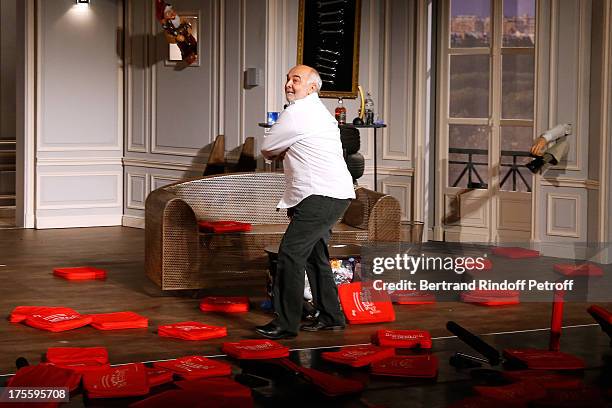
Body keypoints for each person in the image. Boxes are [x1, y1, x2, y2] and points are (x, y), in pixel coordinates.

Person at [256, 65, 356, 340]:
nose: (289, 84)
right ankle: (331, 316)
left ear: (312, 87)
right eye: (287, 78)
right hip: (332, 193)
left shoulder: (298, 112)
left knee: (290, 254)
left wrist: (284, 148)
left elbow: (267, 148)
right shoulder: (318, 112)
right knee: (315, 257)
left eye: (295, 80)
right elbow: (277, 148)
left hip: (320, 194)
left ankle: (286, 323)